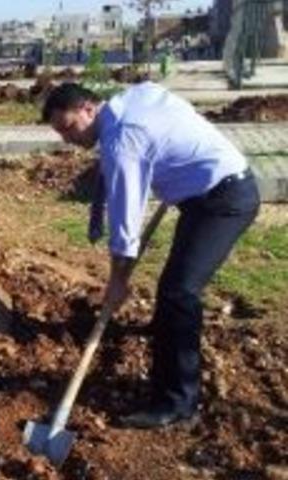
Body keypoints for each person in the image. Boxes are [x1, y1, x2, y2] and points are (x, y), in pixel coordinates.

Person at [42, 82, 260, 429]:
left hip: (224, 200)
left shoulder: (122, 141)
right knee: (173, 290)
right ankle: (165, 343)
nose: (67, 139)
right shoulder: (132, 98)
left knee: (179, 293)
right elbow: (164, 98)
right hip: (205, 193)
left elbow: (126, 223)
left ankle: (178, 405)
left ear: (89, 108)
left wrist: (118, 281)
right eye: (59, 133)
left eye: (68, 127)